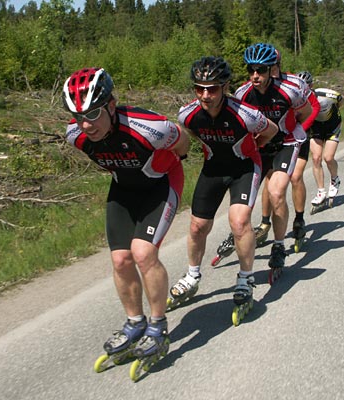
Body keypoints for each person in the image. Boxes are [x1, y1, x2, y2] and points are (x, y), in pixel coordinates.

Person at [62, 67, 189, 365]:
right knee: (120, 260)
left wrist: (173, 160)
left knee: (143, 253)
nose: (85, 124)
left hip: (161, 182)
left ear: (110, 104)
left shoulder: (149, 127)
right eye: (78, 116)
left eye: (93, 114)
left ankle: (158, 326)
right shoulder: (75, 136)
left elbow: (182, 141)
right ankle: (135, 322)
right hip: (123, 187)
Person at [168, 56, 277, 310]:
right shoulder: (188, 114)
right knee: (197, 227)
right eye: (199, 88)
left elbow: (270, 129)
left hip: (244, 167)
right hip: (214, 167)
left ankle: (246, 278)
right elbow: (192, 133)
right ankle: (193, 275)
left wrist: (255, 147)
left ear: (225, 87)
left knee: (239, 222)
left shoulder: (245, 114)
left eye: (212, 88)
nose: (205, 95)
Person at [234, 43, 312, 272]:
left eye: (260, 70)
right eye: (251, 70)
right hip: (261, 145)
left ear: (271, 70)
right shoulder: (242, 94)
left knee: (277, 192)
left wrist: (291, 129)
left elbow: (306, 113)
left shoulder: (289, 90)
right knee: (249, 197)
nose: (255, 75)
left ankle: (278, 246)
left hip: (286, 142)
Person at [302, 71, 344, 210]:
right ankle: (321, 191)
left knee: (328, 157)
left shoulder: (326, 94)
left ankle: (334, 179)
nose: (303, 90)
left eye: (306, 87)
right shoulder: (297, 100)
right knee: (315, 158)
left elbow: (341, 100)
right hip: (316, 127)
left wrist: (334, 112)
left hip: (333, 126)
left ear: (311, 85)